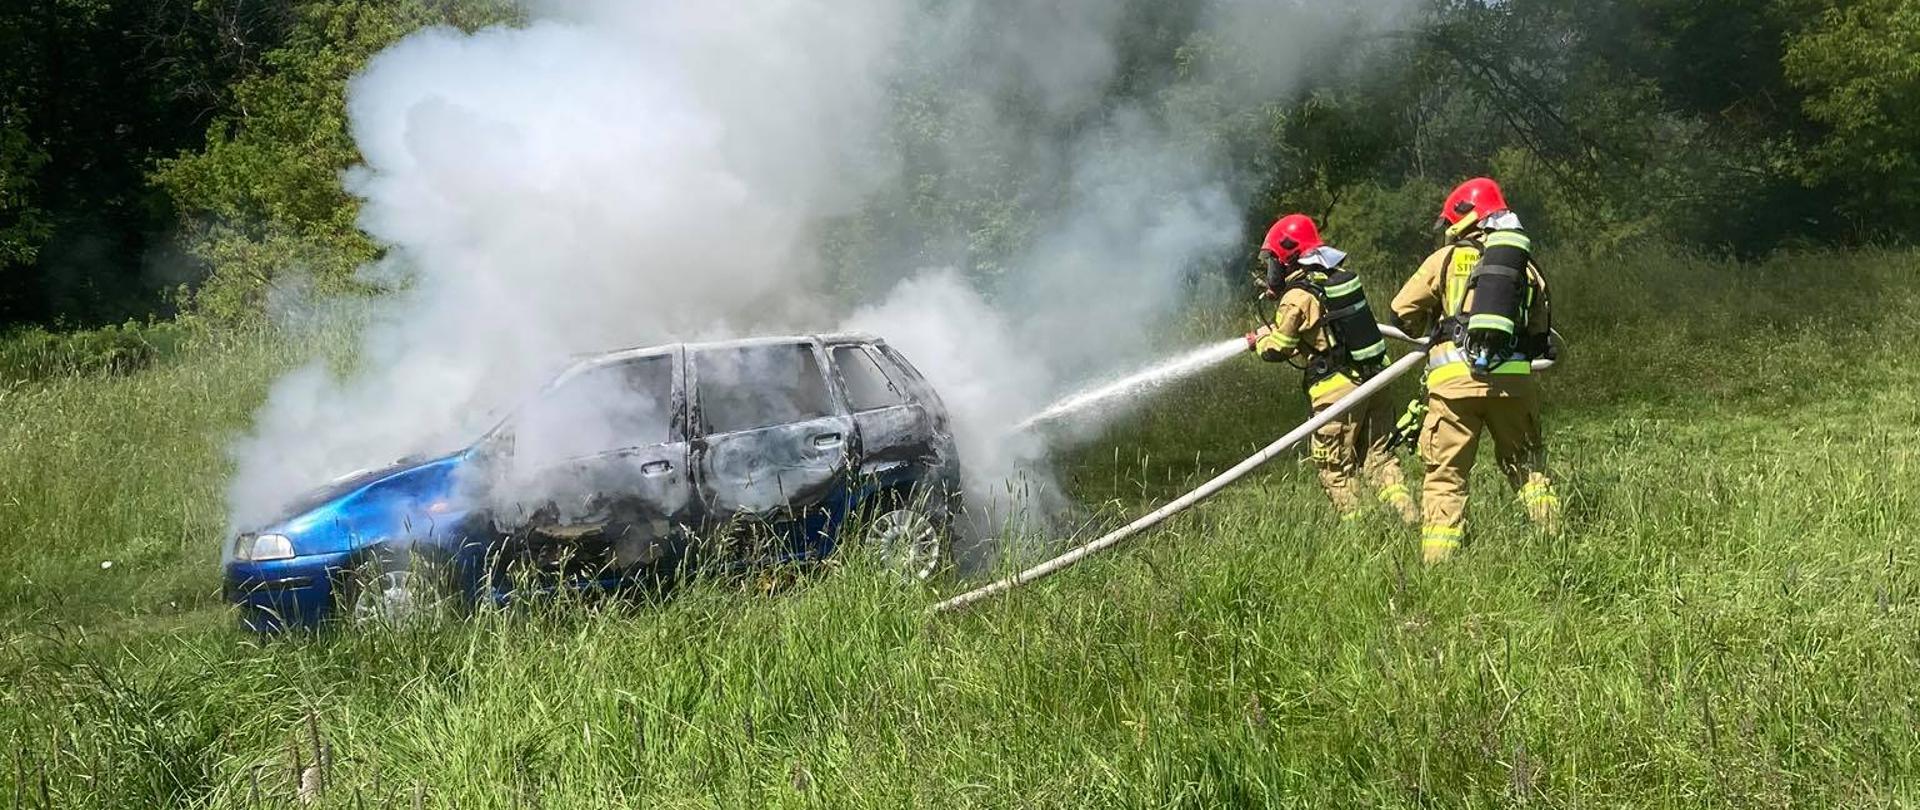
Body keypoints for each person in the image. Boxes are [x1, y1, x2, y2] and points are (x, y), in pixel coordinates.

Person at [1389, 177, 1561, 563]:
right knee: (1527, 466)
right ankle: (1554, 543)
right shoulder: (1526, 265)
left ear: (1462, 219)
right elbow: (1540, 331)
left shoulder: (1446, 259)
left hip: (1453, 388)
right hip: (1513, 386)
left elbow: (1401, 313)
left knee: (1446, 476)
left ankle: (1438, 564)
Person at [1246, 214, 1420, 525]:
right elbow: (1326, 333)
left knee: (1335, 469)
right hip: (1374, 381)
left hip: (1337, 392)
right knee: (1380, 462)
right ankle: (1409, 519)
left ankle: (1365, 535)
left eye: (1272, 260)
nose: (1270, 268)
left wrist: (1259, 339)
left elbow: (1277, 348)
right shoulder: (1337, 277)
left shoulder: (1297, 296)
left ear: (1285, 256)